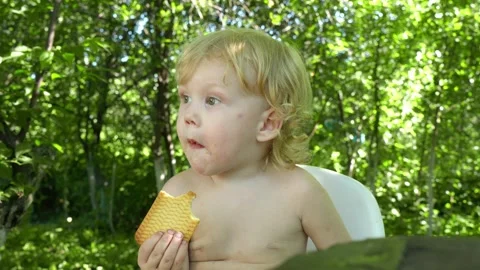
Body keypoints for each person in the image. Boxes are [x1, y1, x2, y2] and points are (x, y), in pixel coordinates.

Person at [137, 28, 351, 270]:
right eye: (185, 98)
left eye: (211, 100)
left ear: (267, 124)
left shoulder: (300, 193)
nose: (188, 115)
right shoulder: (178, 192)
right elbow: (152, 262)